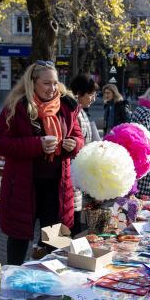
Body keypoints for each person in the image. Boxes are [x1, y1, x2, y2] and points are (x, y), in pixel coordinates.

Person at [0, 60, 84, 265]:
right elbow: (0, 143)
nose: (52, 89)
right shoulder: (16, 106)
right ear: (32, 82)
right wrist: (37, 145)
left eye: (55, 83)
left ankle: (56, 284)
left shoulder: (66, 107)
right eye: (46, 83)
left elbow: (79, 138)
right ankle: (12, 282)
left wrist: (74, 144)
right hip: (24, 186)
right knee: (19, 239)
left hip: (56, 187)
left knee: (56, 244)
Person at [69, 74, 99, 235]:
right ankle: (43, 251)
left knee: (73, 224)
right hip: (72, 175)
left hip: (79, 176)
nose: (93, 98)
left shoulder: (81, 111)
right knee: (65, 226)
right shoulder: (72, 111)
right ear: (79, 93)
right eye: (90, 94)